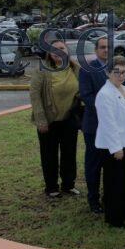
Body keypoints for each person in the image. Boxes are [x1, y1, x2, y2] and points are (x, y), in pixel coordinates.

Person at [29, 38, 81, 198]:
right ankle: (51, 187)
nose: (59, 52)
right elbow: (35, 95)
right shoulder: (42, 70)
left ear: (67, 50)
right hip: (49, 121)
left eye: (62, 48)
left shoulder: (75, 67)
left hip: (69, 119)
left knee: (69, 154)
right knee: (49, 155)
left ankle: (68, 185)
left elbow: (82, 90)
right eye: (54, 49)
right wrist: (41, 120)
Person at [94, 56, 125, 228]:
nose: (121, 76)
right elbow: (108, 123)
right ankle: (114, 218)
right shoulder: (105, 94)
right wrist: (116, 148)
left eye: (124, 72)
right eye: (117, 72)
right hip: (113, 147)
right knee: (115, 183)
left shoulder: (124, 89)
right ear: (108, 73)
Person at [78, 36, 115, 214]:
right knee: (94, 165)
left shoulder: (116, 67)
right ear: (96, 50)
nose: (106, 50)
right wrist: (107, 108)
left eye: (109, 47)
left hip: (113, 126)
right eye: (102, 47)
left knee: (110, 164)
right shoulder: (87, 69)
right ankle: (93, 200)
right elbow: (86, 96)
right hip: (95, 125)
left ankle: (109, 196)